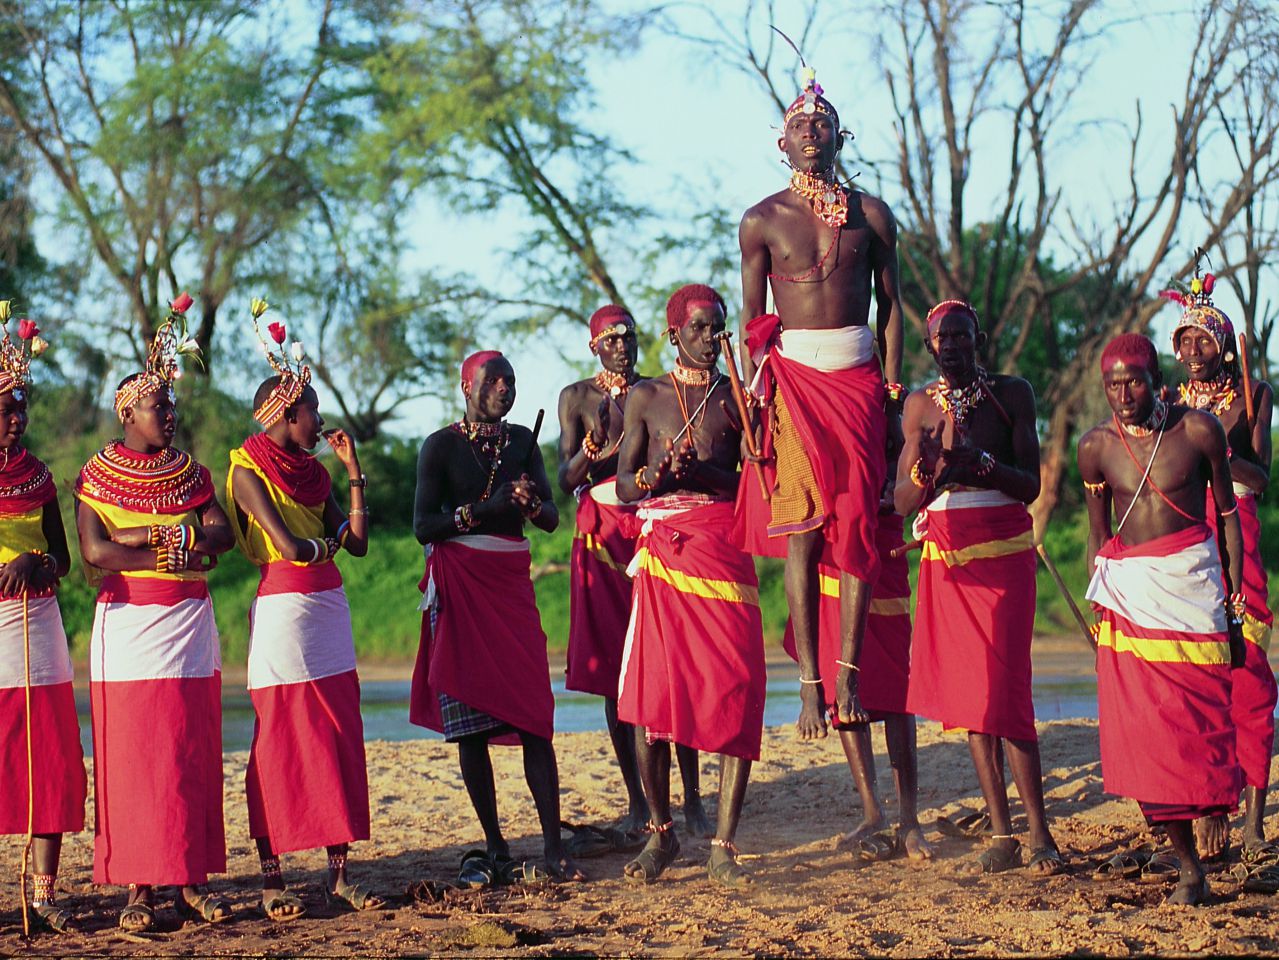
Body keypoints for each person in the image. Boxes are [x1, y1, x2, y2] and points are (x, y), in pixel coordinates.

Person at [735, 62, 905, 744]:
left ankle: (848, 673)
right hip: (794, 384)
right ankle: (808, 684)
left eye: (822, 124)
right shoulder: (760, 219)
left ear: (841, 137)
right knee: (803, 529)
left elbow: (892, 308)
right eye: (800, 125)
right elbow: (753, 322)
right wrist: (756, 396)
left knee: (858, 521)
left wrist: (892, 392)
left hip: (860, 380)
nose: (811, 133)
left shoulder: (872, 215)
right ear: (782, 142)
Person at [74, 293, 235, 931]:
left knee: (190, 745)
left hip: (188, 620)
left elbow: (220, 534)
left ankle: (191, 880)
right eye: (155, 406)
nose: (168, 413)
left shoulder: (190, 474)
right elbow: (94, 550)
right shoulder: (97, 474)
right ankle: (139, 886)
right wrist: (154, 541)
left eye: (170, 404)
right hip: (131, 623)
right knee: (135, 751)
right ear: (127, 413)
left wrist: (189, 538)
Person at [226, 300, 383, 921]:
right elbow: (292, 547)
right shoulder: (245, 470)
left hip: (327, 608)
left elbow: (360, 542)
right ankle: (272, 876)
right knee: (282, 734)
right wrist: (327, 543)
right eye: (312, 409)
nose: (320, 420)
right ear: (287, 414)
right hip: (284, 609)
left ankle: (339, 874)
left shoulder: (318, 476)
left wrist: (353, 473)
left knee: (338, 728)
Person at [896, 300, 1062, 876]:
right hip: (948, 560)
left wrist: (984, 465)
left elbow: (1029, 485)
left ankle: (1040, 833)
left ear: (980, 339)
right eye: (942, 341)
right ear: (929, 349)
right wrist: (930, 469)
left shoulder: (1013, 394)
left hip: (1004, 557)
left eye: (962, 338)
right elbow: (901, 501)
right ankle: (1001, 832)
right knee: (974, 697)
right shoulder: (919, 406)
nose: (953, 349)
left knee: (1009, 692)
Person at [1079, 332, 1245, 906]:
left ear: (1155, 379)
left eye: (1134, 381)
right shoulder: (1094, 447)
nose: (1123, 394)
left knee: (1202, 717)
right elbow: (1099, 534)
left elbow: (1228, 518)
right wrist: (1101, 604)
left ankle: (1212, 804)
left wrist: (1235, 602)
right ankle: (1188, 864)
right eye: (1112, 385)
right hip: (1132, 596)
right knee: (1147, 731)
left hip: (1195, 589)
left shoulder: (1198, 431)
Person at [614, 284, 766, 888]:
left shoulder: (737, 398)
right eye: (700, 328)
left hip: (724, 550)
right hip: (665, 556)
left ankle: (724, 844)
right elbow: (624, 485)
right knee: (654, 695)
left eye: (719, 327)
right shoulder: (646, 397)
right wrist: (655, 475)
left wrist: (698, 470)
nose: (711, 338)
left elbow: (752, 482)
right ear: (673, 333)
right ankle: (661, 831)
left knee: (735, 686)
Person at [411, 349, 581, 884]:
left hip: (510, 589)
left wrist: (530, 507)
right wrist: (486, 509)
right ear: (467, 387)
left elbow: (552, 519)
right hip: (460, 590)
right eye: (493, 381)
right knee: (469, 730)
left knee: (535, 717)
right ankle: (495, 843)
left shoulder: (524, 445)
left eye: (510, 380)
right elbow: (423, 526)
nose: (504, 389)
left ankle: (553, 849)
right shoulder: (439, 447)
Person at [557, 305, 712, 850]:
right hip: (600, 533)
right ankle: (638, 801)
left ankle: (691, 797)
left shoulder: (655, 392)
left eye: (629, 337)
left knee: (670, 661)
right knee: (615, 673)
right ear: (593, 345)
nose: (623, 346)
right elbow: (564, 476)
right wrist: (594, 447)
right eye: (611, 339)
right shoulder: (576, 398)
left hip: (653, 525)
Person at [1168, 272, 1278, 876]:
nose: (1188, 352)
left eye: (1200, 342)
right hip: (1187, 535)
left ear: (1224, 344)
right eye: (1182, 342)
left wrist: (1216, 450)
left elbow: (1259, 476)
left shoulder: (1253, 392)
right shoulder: (1170, 400)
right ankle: (1205, 799)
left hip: (1238, 526)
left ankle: (1255, 817)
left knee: (1249, 670)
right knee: (1195, 672)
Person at [782, 463, 931, 862]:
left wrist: (891, 491)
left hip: (882, 537)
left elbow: (910, 470)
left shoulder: (895, 409)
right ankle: (872, 812)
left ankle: (909, 820)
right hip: (834, 533)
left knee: (896, 690)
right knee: (841, 684)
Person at [0, 310, 85, 933]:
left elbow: (64, 557)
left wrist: (38, 561)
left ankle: (45, 892)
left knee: (48, 751)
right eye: (6, 408)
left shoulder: (38, 475)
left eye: (21, 408)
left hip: (42, 624)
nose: (16, 419)